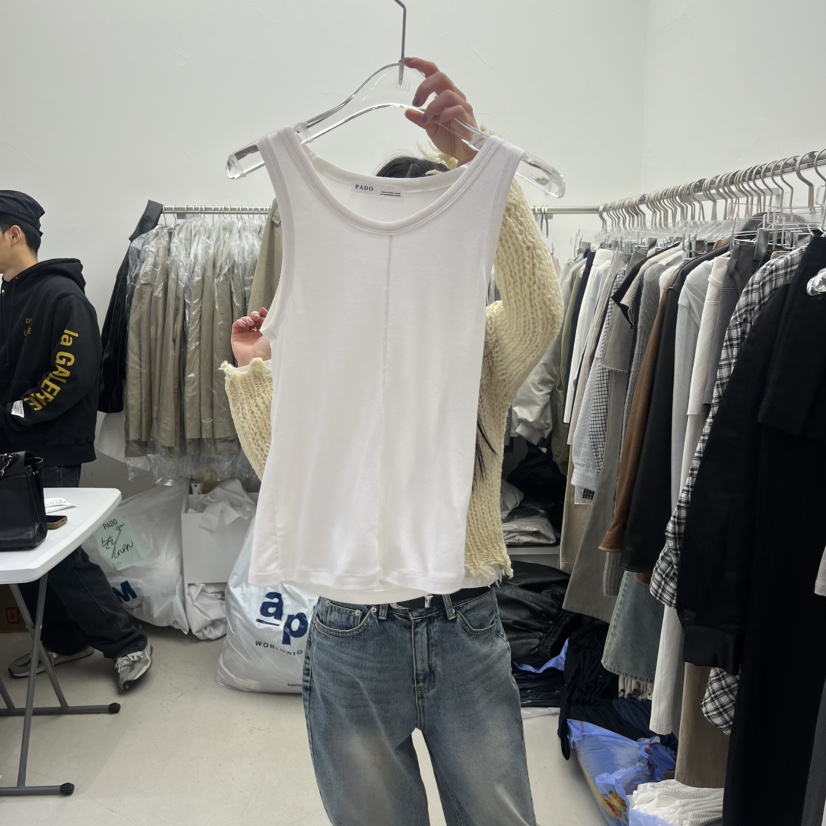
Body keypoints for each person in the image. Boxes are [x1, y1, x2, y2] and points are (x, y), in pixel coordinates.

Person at [225, 58, 563, 825]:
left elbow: (540, 309)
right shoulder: (327, 340)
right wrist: (256, 376)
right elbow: (289, 472)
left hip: (464, 617)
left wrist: (478, 164)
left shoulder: (479, 347)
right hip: (351, 628)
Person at [0, 190, 152, 690]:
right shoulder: (9, 297)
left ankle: (127, 642)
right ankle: (66, 641)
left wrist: (19, 412)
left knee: (58, 553)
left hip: (51, 449)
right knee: (23, 554)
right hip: (13, 450)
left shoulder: (61, 296)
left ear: (14, 233)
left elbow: (75, 372)